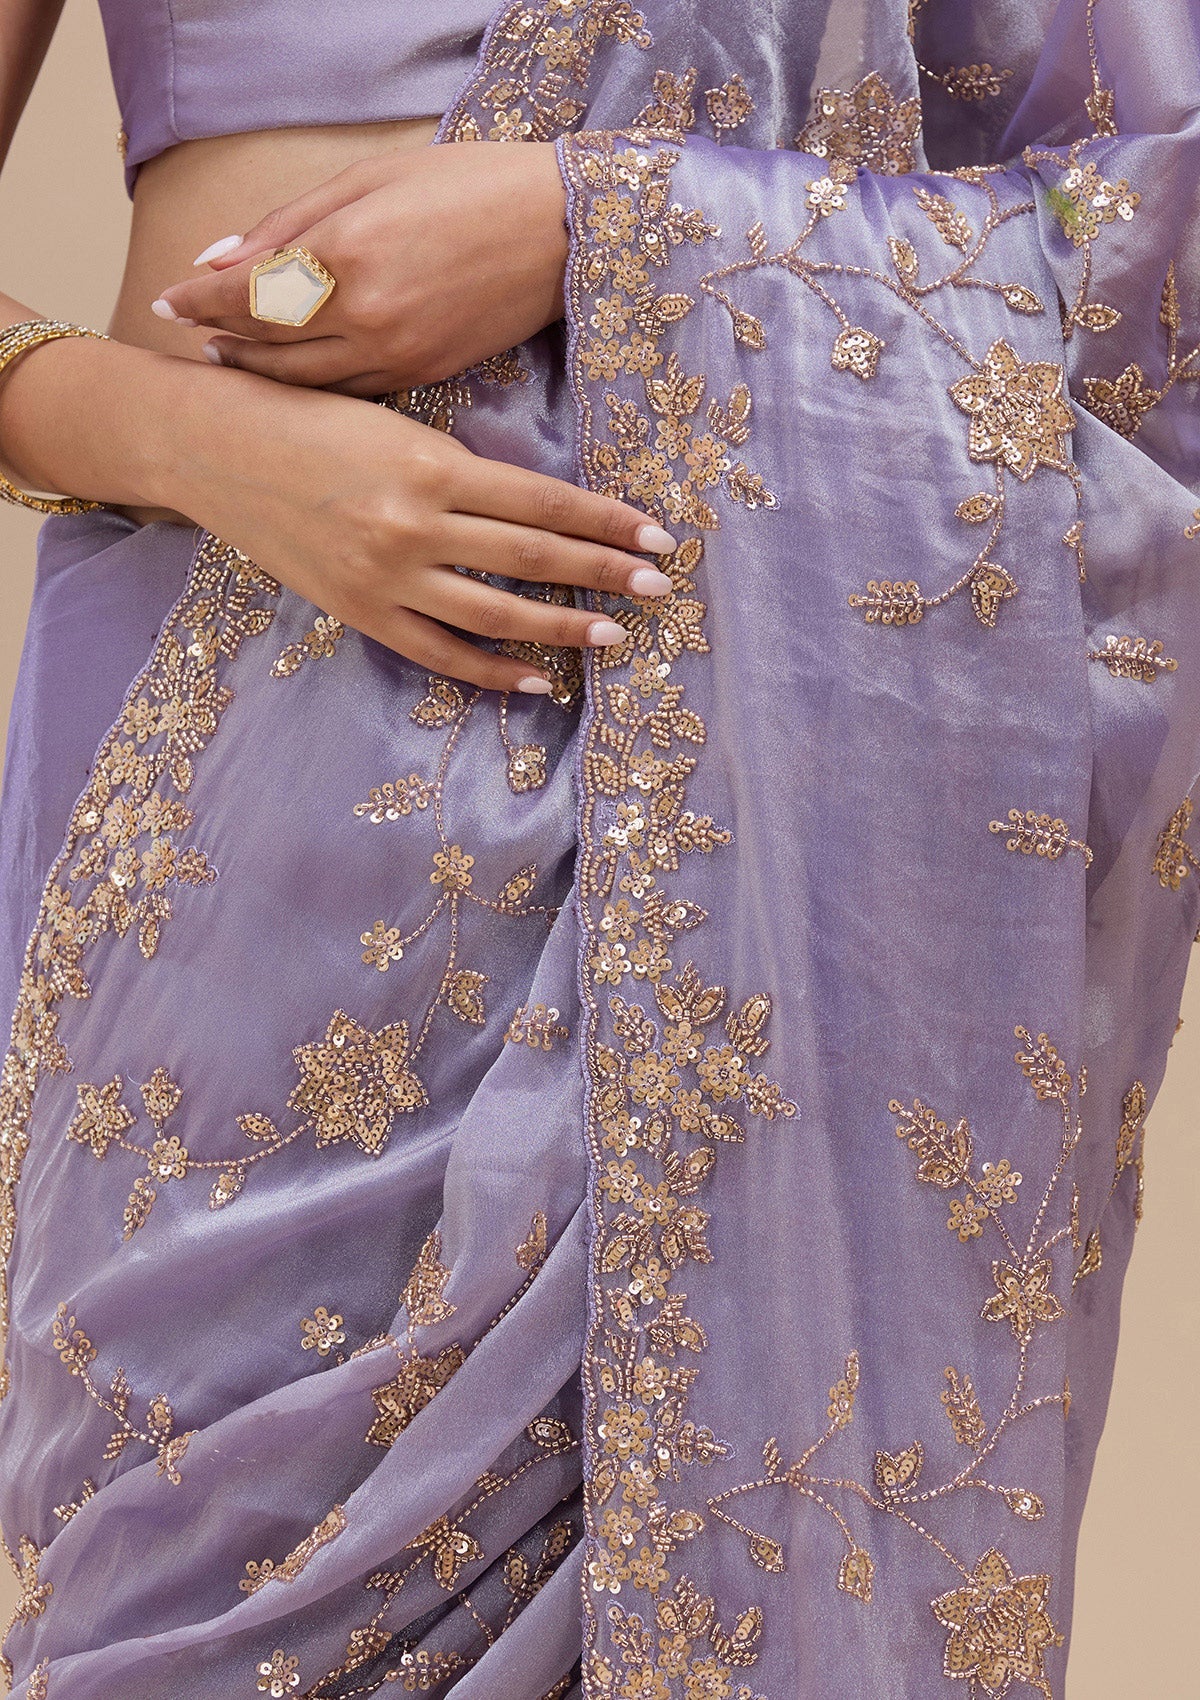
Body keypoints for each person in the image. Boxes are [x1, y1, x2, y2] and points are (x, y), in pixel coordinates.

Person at [0, 0, 1196, 1695]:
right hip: (237, 812)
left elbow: (1148, 232)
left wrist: (593, 220)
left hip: (768, 823)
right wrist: (205, 445)